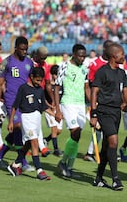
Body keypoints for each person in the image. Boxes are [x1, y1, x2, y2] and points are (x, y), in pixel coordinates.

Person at [90, 43, 127, 191]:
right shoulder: (102, 72)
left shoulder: (121, 73)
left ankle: (98, 178)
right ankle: (116, 179)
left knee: (106, 147)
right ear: (114, 56)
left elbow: (125, 91)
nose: (124, 56)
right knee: (114, 142)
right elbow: (94, 92)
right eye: (122, 54)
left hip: (116, 112)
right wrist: (94, 114)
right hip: (104, 111)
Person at [0, 36, 35, 172]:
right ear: (16, 48)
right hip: (11, 99)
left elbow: (32, 82)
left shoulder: (30, 63)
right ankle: (22, 161)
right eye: (22, 49)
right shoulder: (7, 62)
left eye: (26, 49)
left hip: (25, 101)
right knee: (17, 127)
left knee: (17, 131)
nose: (24, 52)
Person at [6, 67, 53, 180]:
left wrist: (54, 114)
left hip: (37, 119)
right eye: (37, 80)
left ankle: (15, 164)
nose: (38, 83)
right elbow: (15, 106)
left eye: (40, 81)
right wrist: (11, 121)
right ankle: (39, 170)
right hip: (27, 118)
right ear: (31, 77)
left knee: (28, 143)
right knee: (34, 143)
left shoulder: (40, 90)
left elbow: (43, 106)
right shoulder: (23, 88)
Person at [55, 44, 88, 178]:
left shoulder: (85, 69)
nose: (82, 58)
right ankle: (63, 163)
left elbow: (87, 88)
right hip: (68, 103)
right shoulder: (64, 66)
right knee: (75, 131)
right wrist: (57, 109)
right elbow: (57, 87)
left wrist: (93, 105)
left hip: (81, 104)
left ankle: (69, 166)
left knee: (77, 136)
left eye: (84, 56)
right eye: (80, 55)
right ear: (73, 54)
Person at [83, 40, 114, 162]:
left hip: (108, 103)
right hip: (95, 102)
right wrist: (92, 102)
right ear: (105, 49)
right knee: (99, 127)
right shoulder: (95, 64)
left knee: (104, 129)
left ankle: (94, 153)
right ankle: (91, 153)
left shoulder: (114, 64)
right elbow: (89, 85)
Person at [31, 46, 53, 157]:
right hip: (29, 95)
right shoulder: (29, 64)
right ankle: (39, 146)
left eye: (45, 58)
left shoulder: (46, 66)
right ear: (37, 55)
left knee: (37, 122)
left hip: (39, 95)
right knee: (31, 123)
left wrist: (52, 100)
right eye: (42, 58)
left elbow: (48, 84)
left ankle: (41, 147)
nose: (44, 60)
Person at [43, 65, 63, 157]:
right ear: (52, 74)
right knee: (54, 129)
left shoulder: (61, 84)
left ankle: (45, 140)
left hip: (58, 109)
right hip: (49, 109)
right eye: (55, 74)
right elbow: (44, 99)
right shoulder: (48, 85)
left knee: (59, 130)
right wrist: (50, 105)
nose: (57, 76)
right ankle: (56, 149)